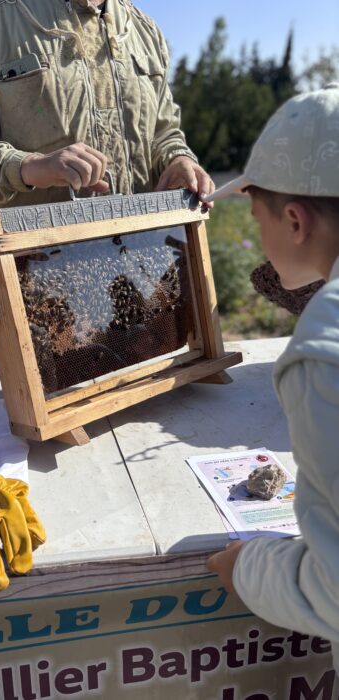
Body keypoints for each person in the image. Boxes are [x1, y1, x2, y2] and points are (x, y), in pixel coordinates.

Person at [205, 83, 339, 673]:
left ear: (293, 219)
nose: (259, 236)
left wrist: (249, 570)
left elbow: (335, 590)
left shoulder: (324, 347)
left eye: (257, 215)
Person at [0, 0, 214, 214]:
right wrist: (27, 167)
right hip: (37, 277)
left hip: (149, 270)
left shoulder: (144, 31)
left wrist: (177, 160)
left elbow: (164, 133)